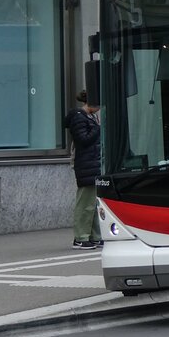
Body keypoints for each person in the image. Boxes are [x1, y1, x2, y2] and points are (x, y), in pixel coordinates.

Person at [65, 90, 102, 250]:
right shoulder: (79, 117)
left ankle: (94, 236)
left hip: (91, 163)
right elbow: (83, 139)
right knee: (85, 203)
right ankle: (81, 237)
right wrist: (98, 128)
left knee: (92, 203)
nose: (100, 108)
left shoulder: (88, 117)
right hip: (86, 164)